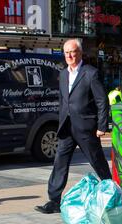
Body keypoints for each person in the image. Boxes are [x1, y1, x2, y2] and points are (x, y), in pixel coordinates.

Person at [35, 39, 112, 214]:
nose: (69, 55)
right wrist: (60, 120)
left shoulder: (90, 73)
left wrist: (102, 125)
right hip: (66, 128)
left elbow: (102, 101)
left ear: (80, 53)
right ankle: (54, 200)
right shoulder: (63, 74)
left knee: (97, 160)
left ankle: (112, 190)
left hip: (86, 127)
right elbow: (63, 100)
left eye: (73, 52)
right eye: (66, 52)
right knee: (60, 162)